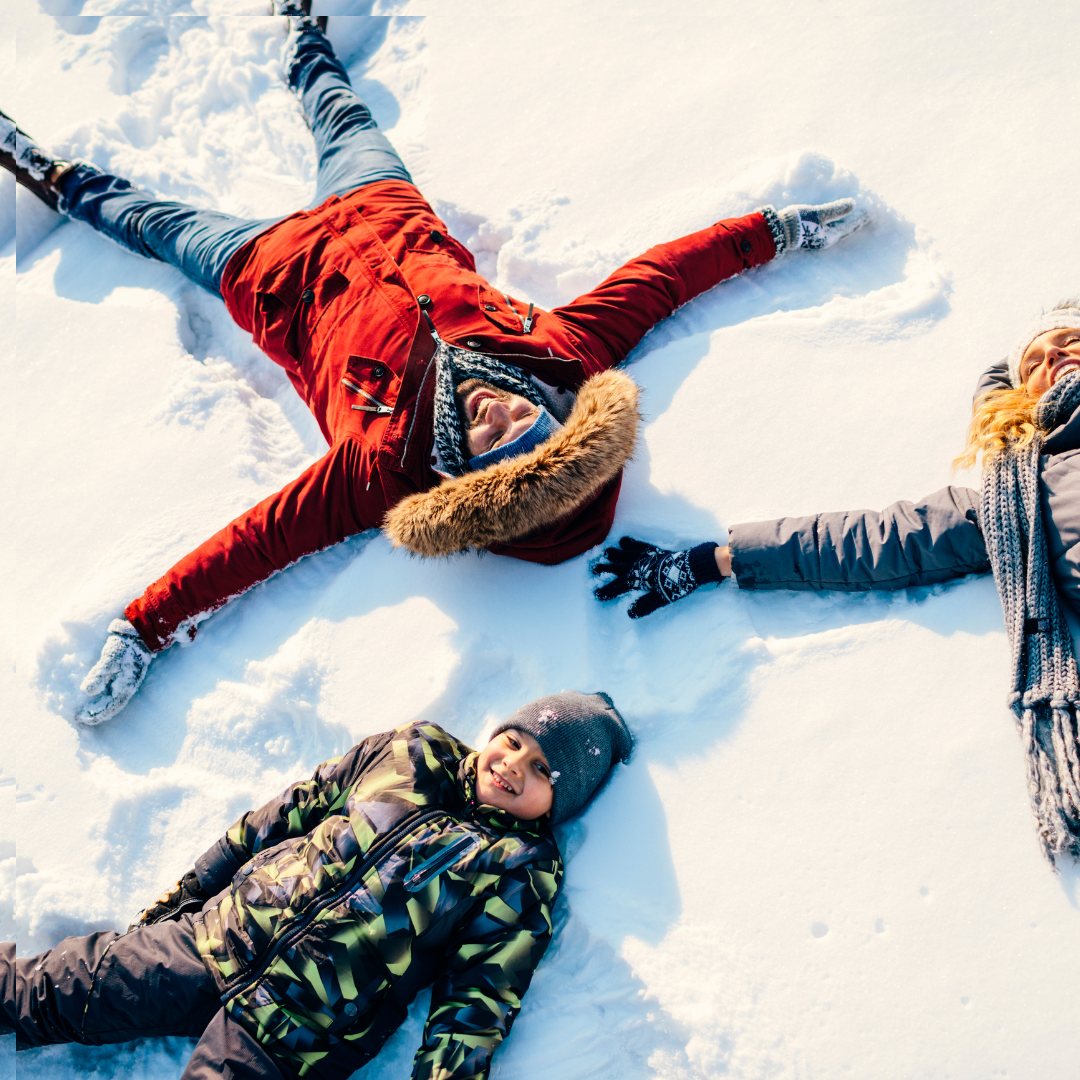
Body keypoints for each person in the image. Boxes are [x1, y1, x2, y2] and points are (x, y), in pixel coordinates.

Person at [1, 4, 866, 727]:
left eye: (488, 434)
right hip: (385, 208)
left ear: (465, 476)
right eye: (523, 417)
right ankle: (305, 39)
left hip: (272, 272)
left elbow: (257, 543)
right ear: (557, 414)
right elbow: (663, 277)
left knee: (148, 222)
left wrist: (144, 628)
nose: (498, 407)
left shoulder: (383, 473)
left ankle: (53, 176)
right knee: (341, 111)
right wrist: (775, 234)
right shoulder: (563, 356)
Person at [593, 301, 1080, 863]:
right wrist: (718, 560)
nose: (1055, 358)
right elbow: (878, 541)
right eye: (1036, 360)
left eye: (1068, 340)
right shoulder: (1017, 499)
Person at [1, 690, 634, 1080]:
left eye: (541, 770)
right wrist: (189, 893)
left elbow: (478, 1002)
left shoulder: (518, 869)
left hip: (297, 1035)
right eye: (514, 741)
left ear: (560, 803)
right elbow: (283, 816)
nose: (512, 766)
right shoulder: (413, 752)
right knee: (54, 986)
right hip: (218, 937)